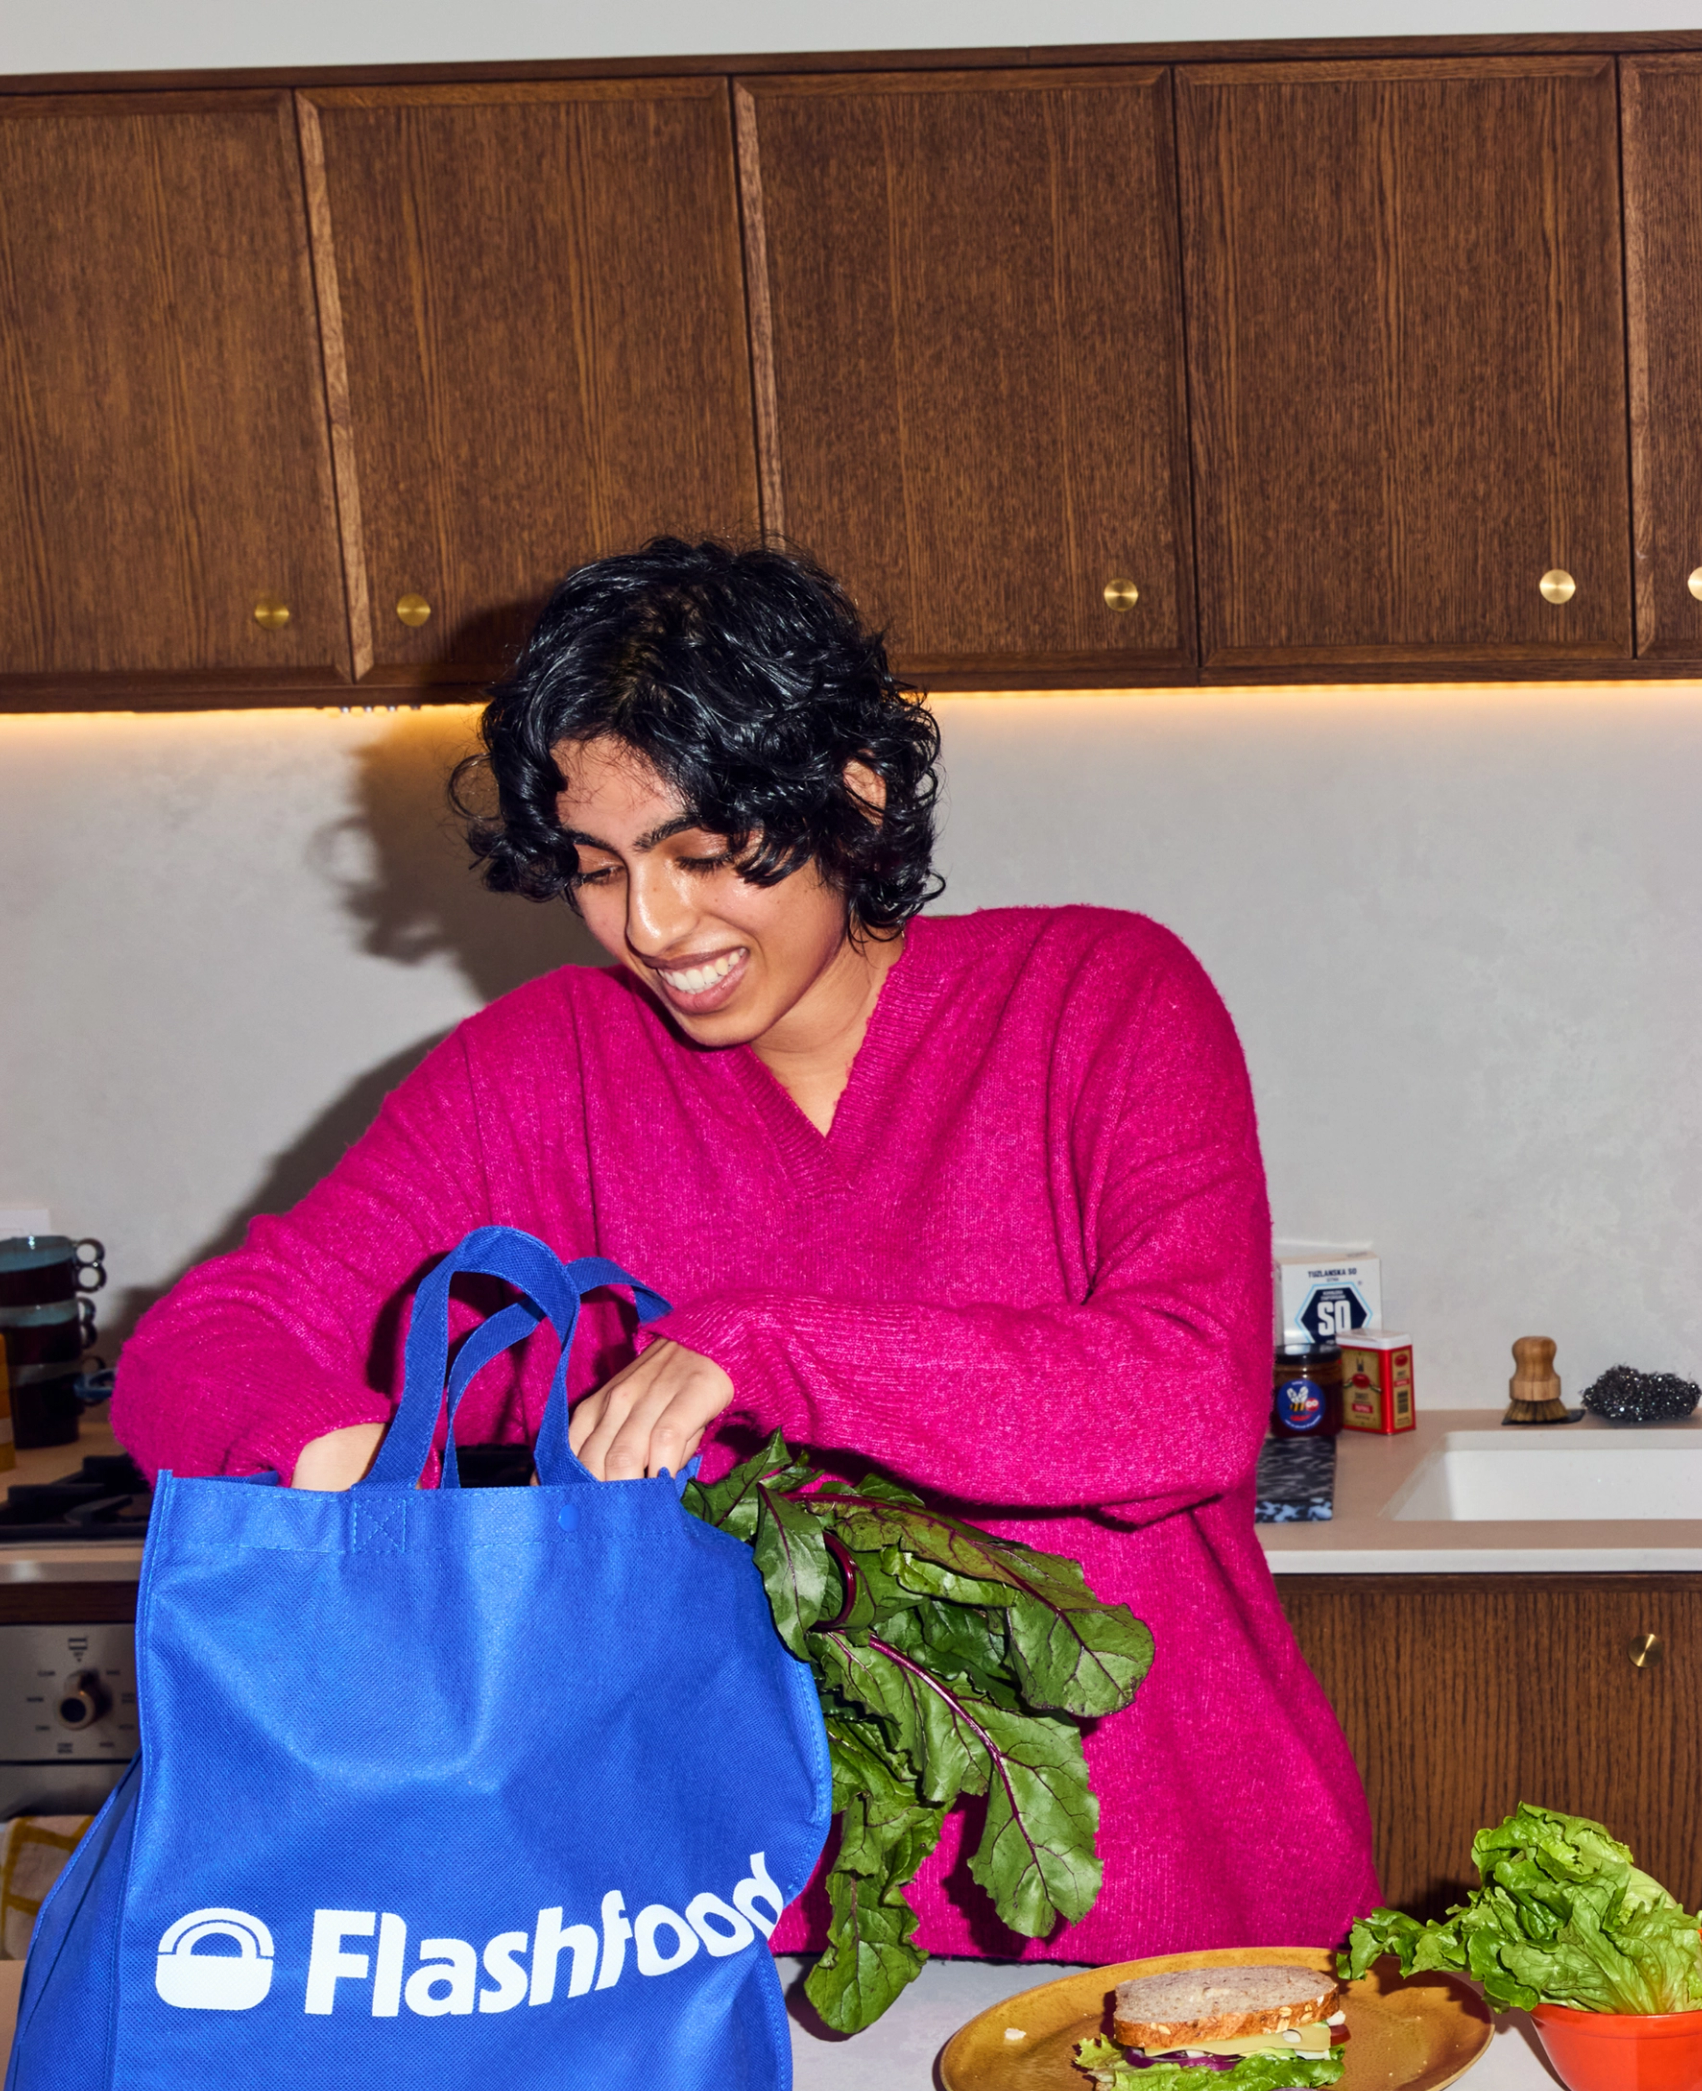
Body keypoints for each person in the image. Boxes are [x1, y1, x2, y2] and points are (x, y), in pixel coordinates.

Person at [113, 538, 1377, 1961]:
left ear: (858, 793)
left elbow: (1187, 1400)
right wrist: (369, 1475)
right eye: (598, 869)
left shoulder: (1098, 999)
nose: (651, 927)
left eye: (703, 856)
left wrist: (761, 1348)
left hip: (1178, 1904)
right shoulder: (535, 1082)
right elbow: (196, 1352)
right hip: (744, 1935)